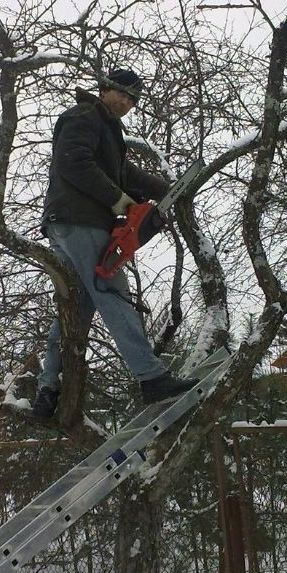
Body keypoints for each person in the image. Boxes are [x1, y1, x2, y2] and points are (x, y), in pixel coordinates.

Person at [32, 68, 199, 419]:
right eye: (120, 94)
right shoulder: (84, 116)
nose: (124, 102)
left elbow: (124, 174)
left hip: (68, 223)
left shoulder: (106, 130)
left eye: (131, 100)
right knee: (112, 293)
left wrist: (167, 191)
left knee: (75, 308)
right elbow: (73, 163)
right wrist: (118, 201)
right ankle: (151, 377)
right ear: (104, 89)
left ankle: (47, 388)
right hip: (81, 220)